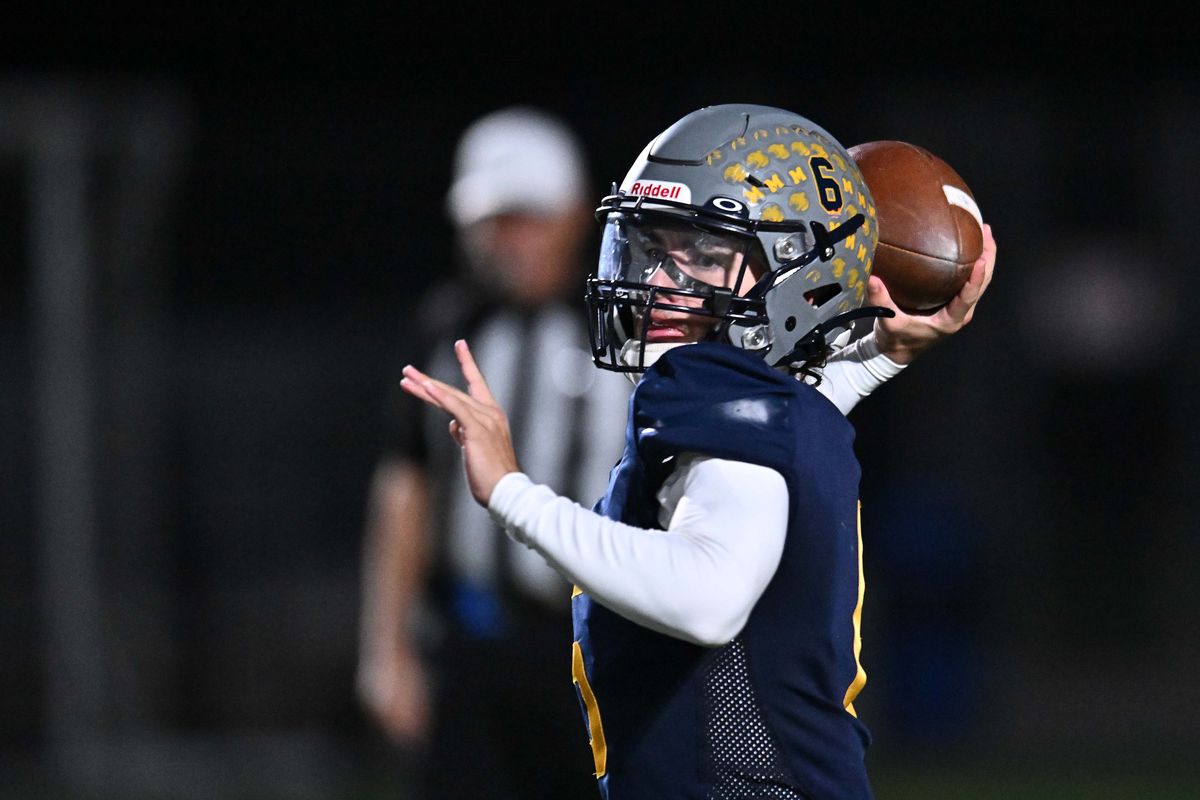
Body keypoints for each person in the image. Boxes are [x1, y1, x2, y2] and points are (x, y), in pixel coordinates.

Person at [398, 103, 996, 799]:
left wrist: (510, 493)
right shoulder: (769, 406)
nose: (655, 281)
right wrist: (875, 360)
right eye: (653, 248)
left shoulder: (729, 416)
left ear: (796, 273)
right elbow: (789, 423)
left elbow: (706, 596)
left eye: (705, 256)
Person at [356, 106, 633, 799]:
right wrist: (386, 645)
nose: (505, 242)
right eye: (493, 222)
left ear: (573, 214)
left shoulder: (628, 328)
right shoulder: (450, 324)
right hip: (470, 643)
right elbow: (406, 483)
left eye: (525, 218)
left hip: (594, 648)